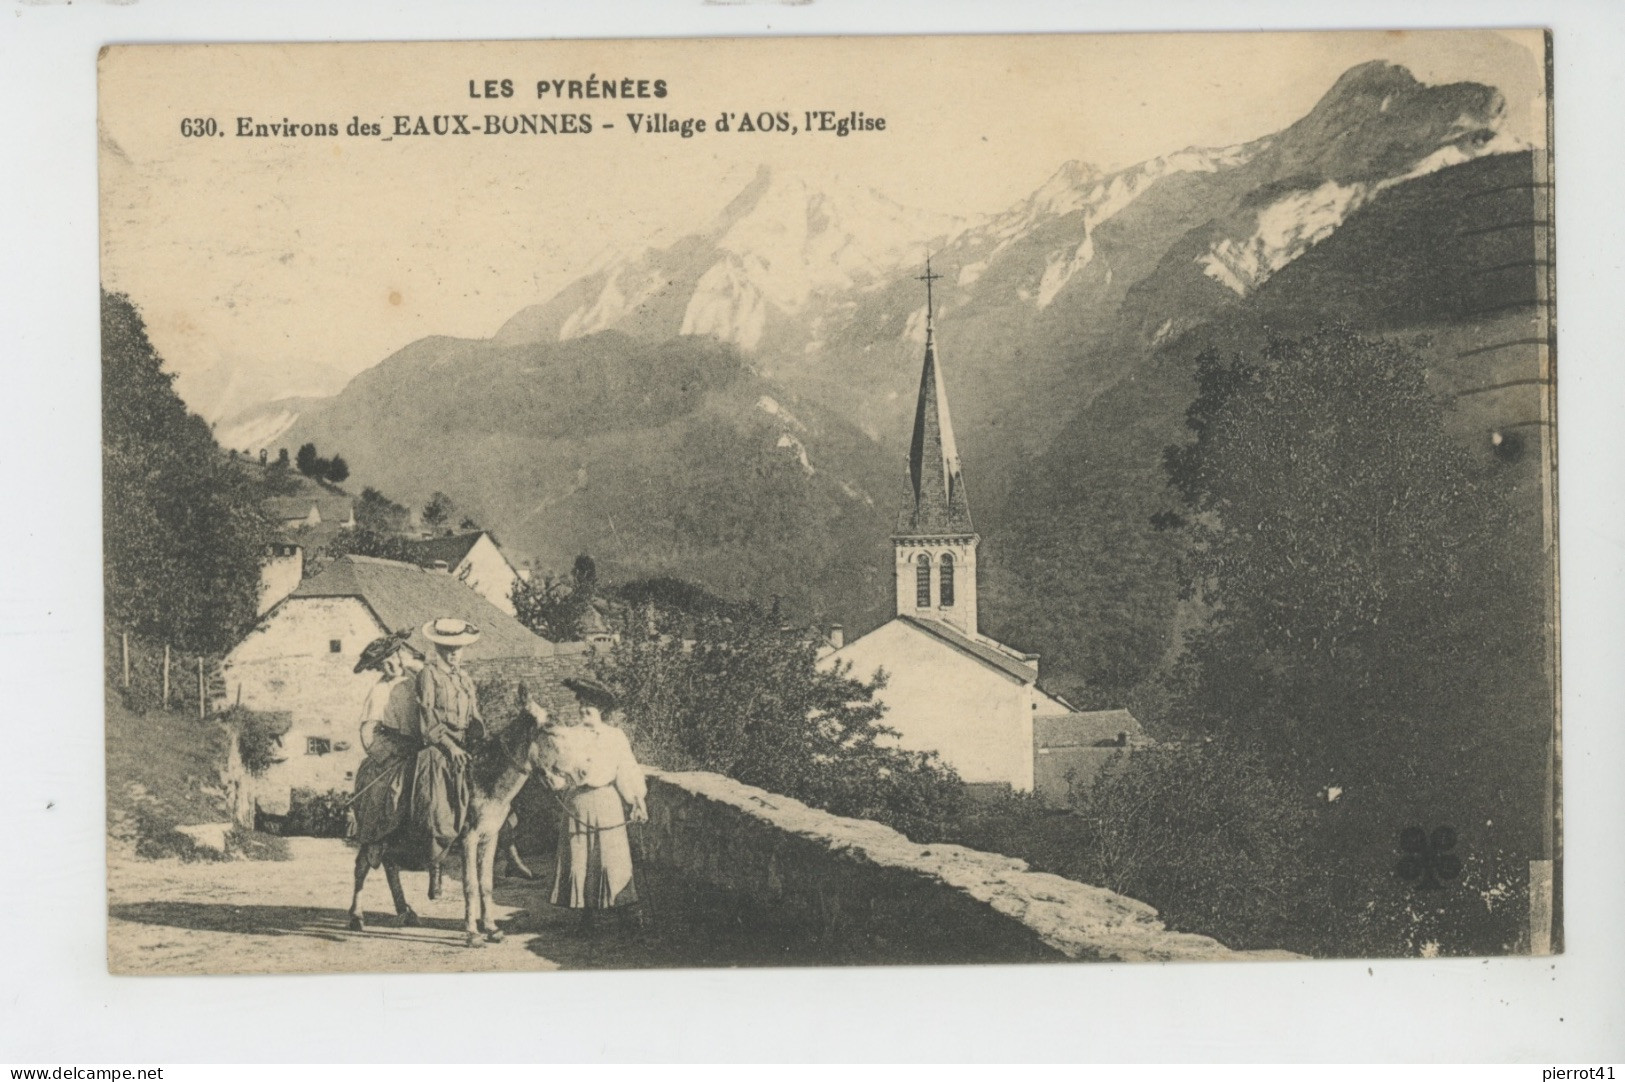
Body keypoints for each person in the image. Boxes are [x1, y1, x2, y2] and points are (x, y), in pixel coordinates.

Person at [538, 676, 648, 921]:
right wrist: (555, 781)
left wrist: (637, 800)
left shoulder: (615, 736)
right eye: (581, 703)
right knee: (580, 858)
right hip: (578, 803)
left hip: (607, 801)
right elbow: (559, 768)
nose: (583, 709)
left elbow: (627, 769)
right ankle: (586, 915)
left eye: (590, 704)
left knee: (612, 857)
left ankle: (625, 911)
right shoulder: (570, 735)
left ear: (602, 709)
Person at [346, 629, 424, 929]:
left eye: (392, 657)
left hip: (422, 751)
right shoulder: (378, 691)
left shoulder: (416, 679)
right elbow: (368, 730)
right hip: (391, 759)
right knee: (384, 807)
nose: (390, 665)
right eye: (383, 664)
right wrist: (389, 752)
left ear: (401, 653)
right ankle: (357, 903)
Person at [411, 617, 485, 878]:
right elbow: (427, 719)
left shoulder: (465, 678)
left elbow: (475, 715)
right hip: (439, 746)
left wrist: (481, 738)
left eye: (458, 648)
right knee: (437, 806)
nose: (454, 654)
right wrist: (450, 746)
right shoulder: (428, 675)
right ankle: (435, 861)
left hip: (466, 743)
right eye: (447, 648)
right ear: (437, 648)